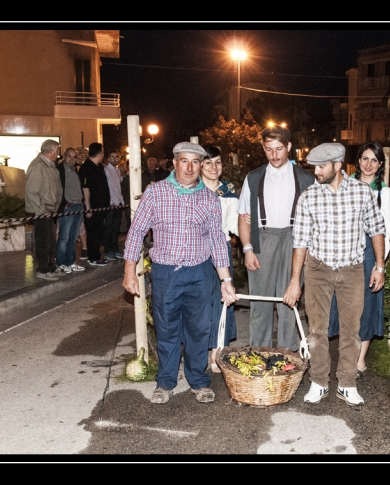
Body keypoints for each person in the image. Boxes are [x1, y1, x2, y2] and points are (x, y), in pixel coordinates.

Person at [122, 142, 237, 405]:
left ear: (200, 166)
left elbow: (218, 241)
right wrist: (130, 271)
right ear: (174, 163)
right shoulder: (156, 193)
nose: (190, 167)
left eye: (195, 162)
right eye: (184, 161)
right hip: (166, 275)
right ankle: (165, 382)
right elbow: (137, 232)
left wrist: (226, 280)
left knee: (199, 329)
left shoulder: (209, 198)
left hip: (199, 273)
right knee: (166, 329)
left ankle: (198, 381)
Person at [283, 143, 386, 406]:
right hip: (318, 270)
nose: (316, 171)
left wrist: (380, 267)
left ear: (338, 166)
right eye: (314, 166)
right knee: (317, 330)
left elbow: (377, 229)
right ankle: (318, 382)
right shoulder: (308, 197)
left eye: (321, 166)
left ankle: (347, 383)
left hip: (352, 270)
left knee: (351, 330)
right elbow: (301, 241)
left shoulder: (362, 192)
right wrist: (295, 281)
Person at [237, 125, 315, 351]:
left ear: (289, 147)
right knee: (260, 303)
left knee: (288, 302)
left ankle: (286, 354)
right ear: (263, 148)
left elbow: (314, 220)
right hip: (262, 239)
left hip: (295, 240)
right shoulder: (253, 178)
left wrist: (309, 251)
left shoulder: (306, 179)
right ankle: (258, 354)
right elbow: (244, 217)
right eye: (269, 149)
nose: (274, 155)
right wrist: (247, 248)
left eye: (279, 149)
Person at [328, 142, 390, 378]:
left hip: (368, 255)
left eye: (374, 160)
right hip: (345, 252)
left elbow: (386, 231)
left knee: (366, 307)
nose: (368, 164)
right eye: (365, 159)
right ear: (358, 161)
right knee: (343, 305)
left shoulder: (382, 192)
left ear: (380, 165)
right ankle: (346, 354)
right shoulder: (345, 186)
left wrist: (379, 265)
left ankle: (360, 360)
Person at [201, 145, 239, 372]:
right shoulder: (192, 189)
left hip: (221, 248)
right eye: (208, 162)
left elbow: (236, 223)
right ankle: (201, 347)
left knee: (221, 300)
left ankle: (216, 351)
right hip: (196, 250)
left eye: (218, 162)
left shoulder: (229, 190)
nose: (214, 167)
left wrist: (248, 247)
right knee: (200, 302)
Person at [25, 139, 64, 281]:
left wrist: (55, 206)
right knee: (43, 241)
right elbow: (31, 191)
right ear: (52, 151)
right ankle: (43, 269)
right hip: (40, 211)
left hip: (51, 209)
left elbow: (56, 188)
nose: (58, 154)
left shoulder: (51, 166)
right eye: (57, 150)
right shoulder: (37, 166)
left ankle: (51, 267)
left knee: (51, 240)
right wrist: (43, 209)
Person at [56, 147, 85, 273]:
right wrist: (63, 204)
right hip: (68, 207)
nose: (72, 159)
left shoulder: (75, 171)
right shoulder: (59, 170)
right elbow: (56, 189)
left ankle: (70, 261)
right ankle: (61, 263)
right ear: (64, 156)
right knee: (64, 237)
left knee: (73, 237)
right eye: (69, 156)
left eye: (74, 157)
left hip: (78, 206)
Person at [80, 142, 110, 267]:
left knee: (99, 232)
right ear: (99, 153)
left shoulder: (99, 167)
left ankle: (97, 255)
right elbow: (85, 189)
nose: (103, 154)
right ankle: (92, 257)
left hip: (101, 207)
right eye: (102, 152)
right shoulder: (86, 167)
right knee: (93, 232)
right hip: (93, 207)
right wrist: (88, 208)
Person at [102, 149, 125, 260]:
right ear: (108, 158)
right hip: (111, 204)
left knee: (116, 228)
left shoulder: (116, 171)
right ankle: (108, 250)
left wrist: (121, 201)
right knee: (109, 228)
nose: (115, 159)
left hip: (118, 203)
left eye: (116, 157)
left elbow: (117, 187)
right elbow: (106, 188)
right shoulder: (106, 170)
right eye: (112, 156)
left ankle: (115, 249)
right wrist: (110, 201)